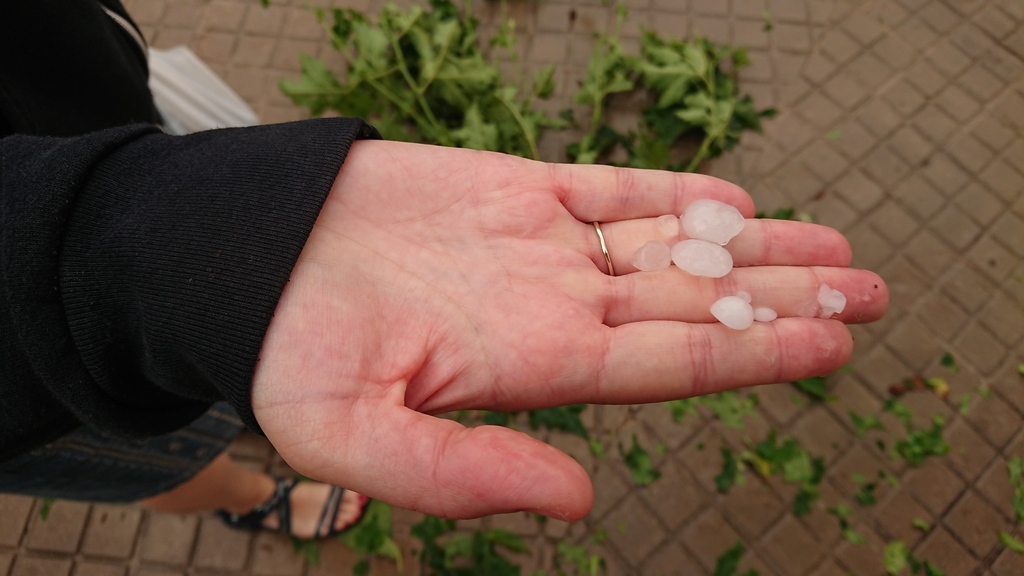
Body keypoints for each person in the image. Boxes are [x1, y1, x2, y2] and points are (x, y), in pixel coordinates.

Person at [0, 0, 888, 539]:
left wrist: (213, 211)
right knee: (144, 451)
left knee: (208, 388)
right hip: (29, 380)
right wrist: (133, 256)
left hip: (93, 132)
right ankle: (252, 495)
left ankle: (236, 429)